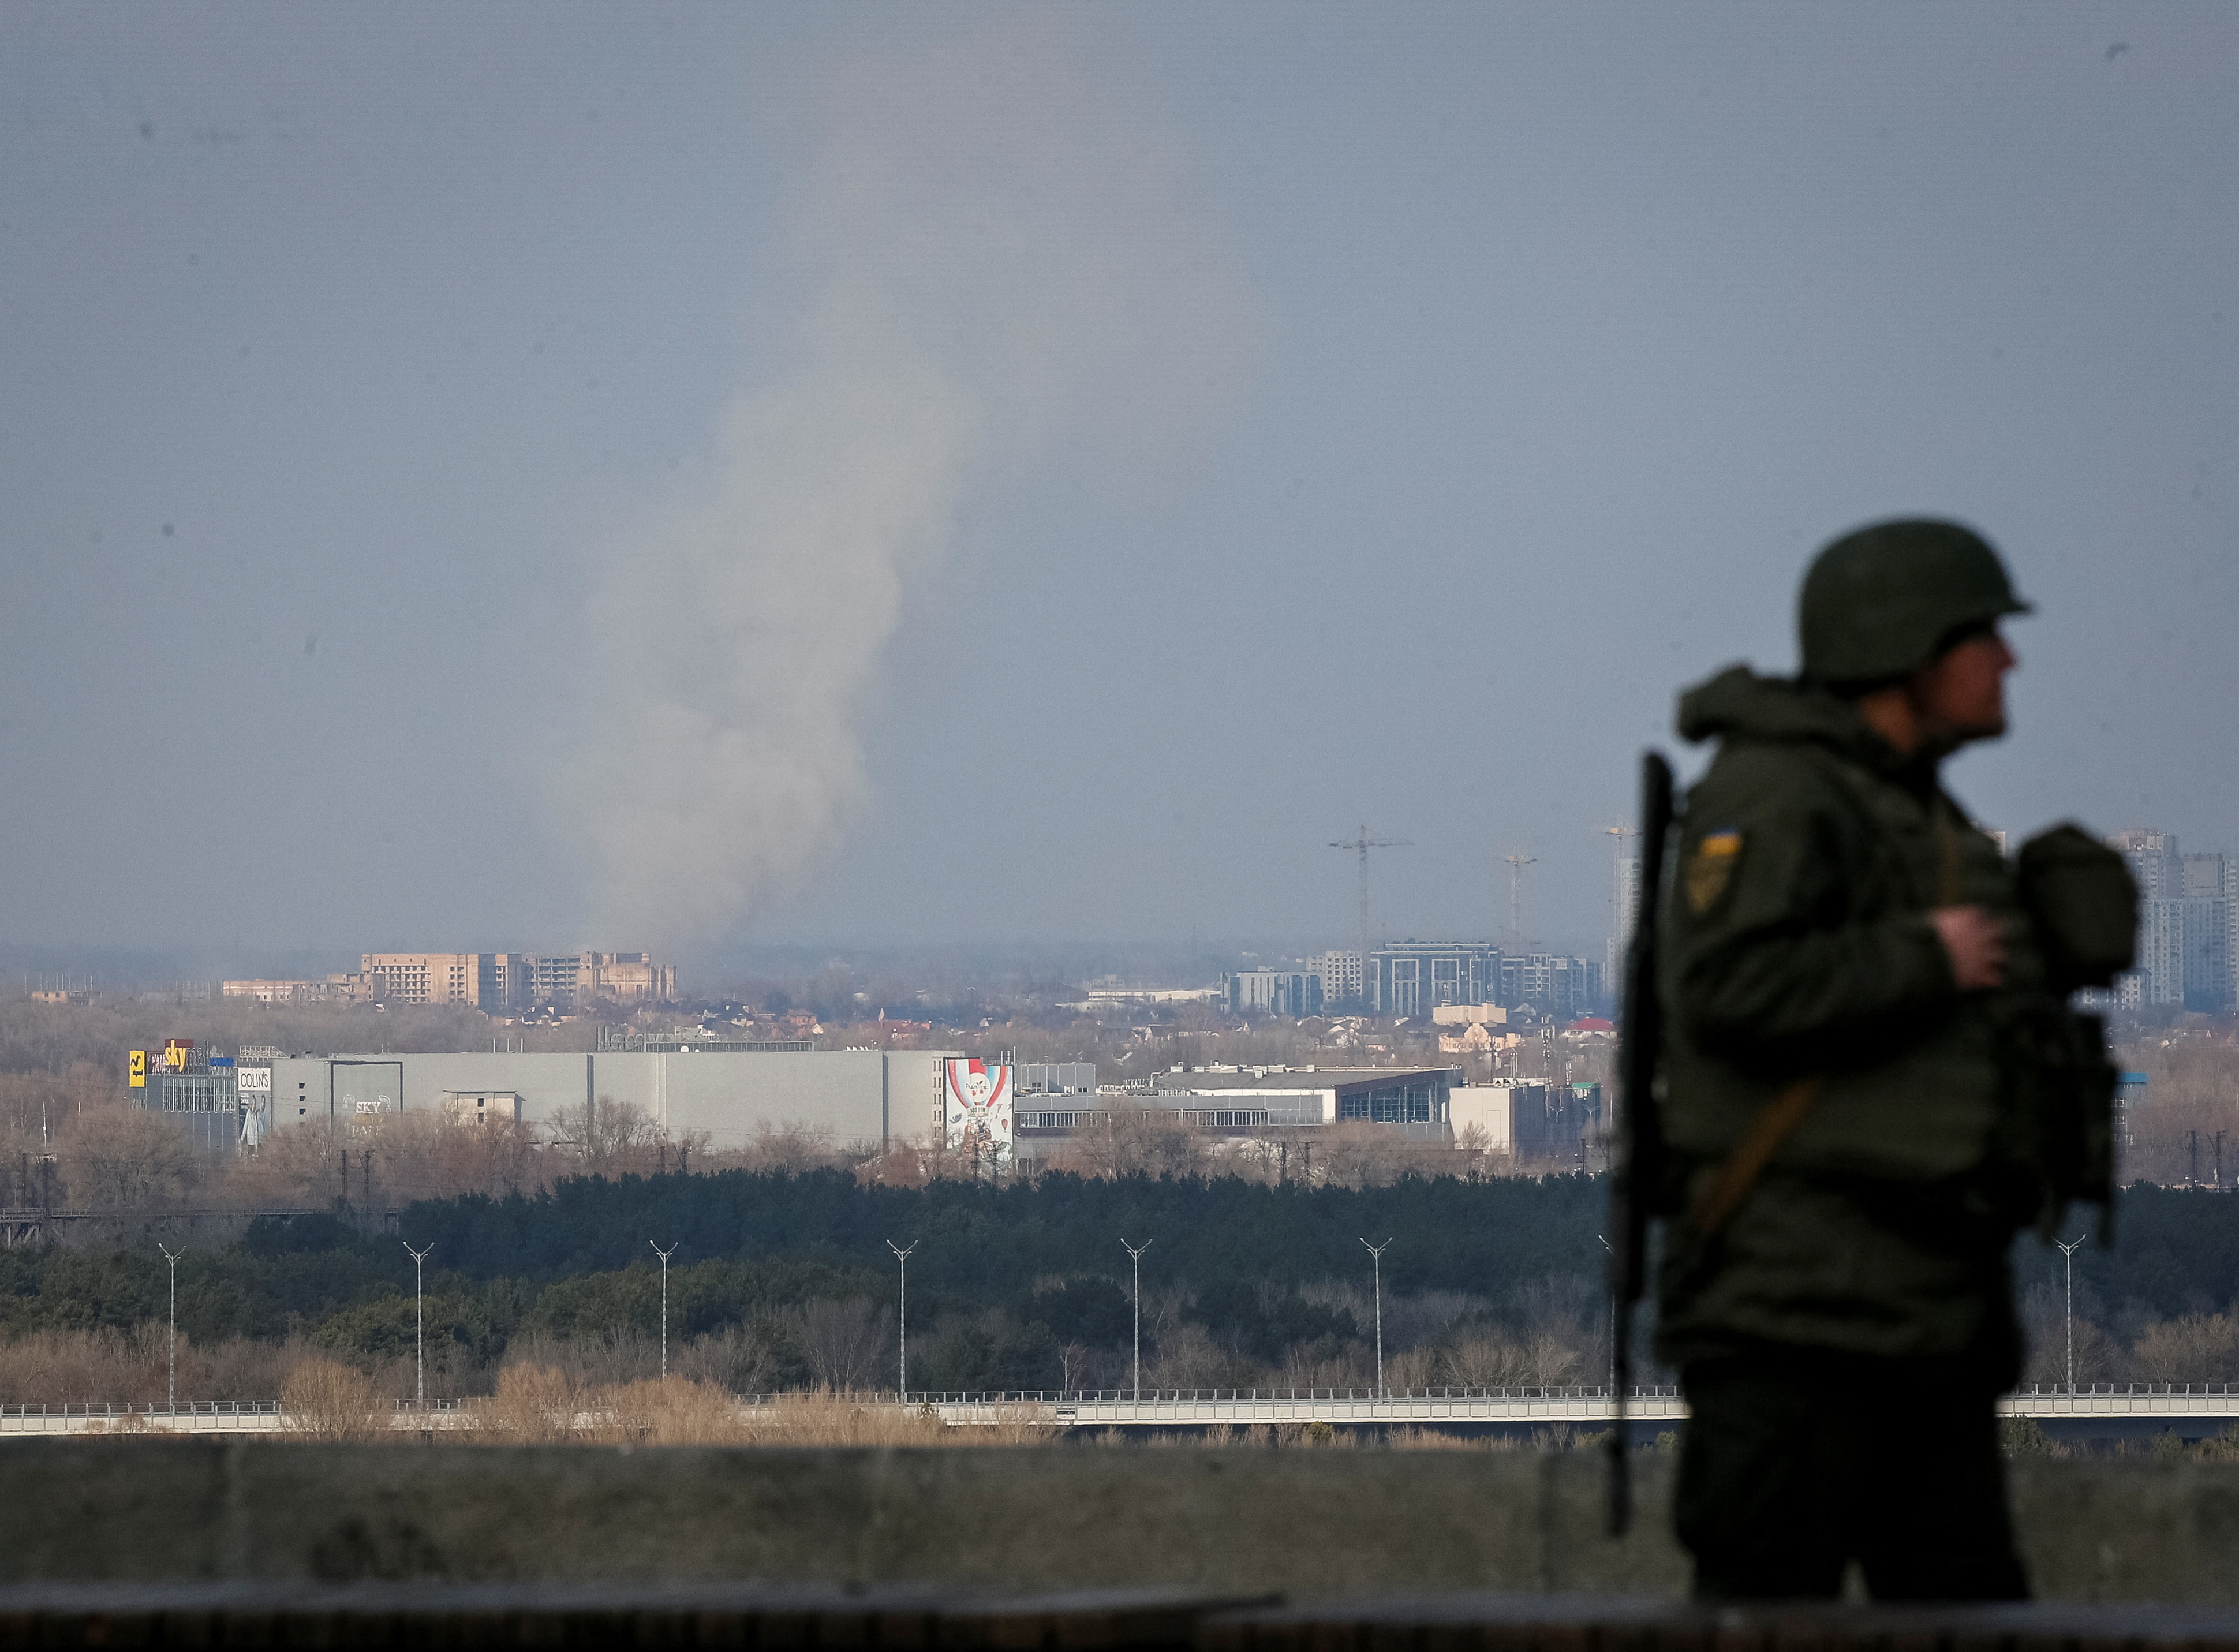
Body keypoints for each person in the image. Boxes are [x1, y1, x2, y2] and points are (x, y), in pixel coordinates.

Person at [1652, 517, 2125, 1601]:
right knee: (1769, 1608)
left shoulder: (1906, 806)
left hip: (1923, 1311)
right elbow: (1726, 987)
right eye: (1984, 636)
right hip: (1793, 1321)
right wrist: (1924, 957)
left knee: (1964, 1606)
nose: (2008, 662)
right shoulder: (1777, 791)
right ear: (1910, 647)